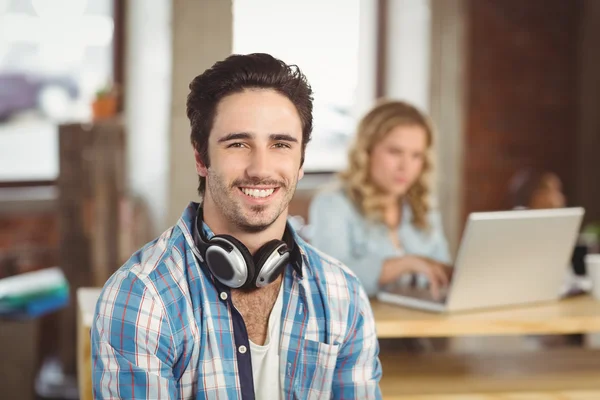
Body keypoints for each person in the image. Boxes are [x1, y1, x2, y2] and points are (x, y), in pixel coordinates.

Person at [91, 53, 382, 399]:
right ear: (201, 157)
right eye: (239, 144)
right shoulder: (142, 298)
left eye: (280, 144)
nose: (260, 168)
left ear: (301, 160)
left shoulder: (342, 293)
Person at [309, 100, 452, 299]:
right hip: (364, 326)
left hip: (422, 323)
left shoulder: (424, 205)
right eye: (395, 152)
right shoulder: (333, 203)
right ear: (367, 151)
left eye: (416, 155)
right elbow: (329, 280)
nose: (406, 166)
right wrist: (406, 263)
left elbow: (443, 269)